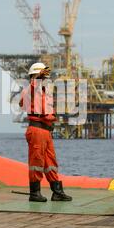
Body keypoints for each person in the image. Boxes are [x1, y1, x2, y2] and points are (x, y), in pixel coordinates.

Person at [19, 62, 72, 202]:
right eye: (41, 76)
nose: (44, 79)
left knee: (51, 163)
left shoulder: (44, 93)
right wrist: (38, 77)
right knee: (37, 162)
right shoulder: (30, 90)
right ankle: (34, 193)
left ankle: (57, 192)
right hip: (36, 130)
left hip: (46, 132)